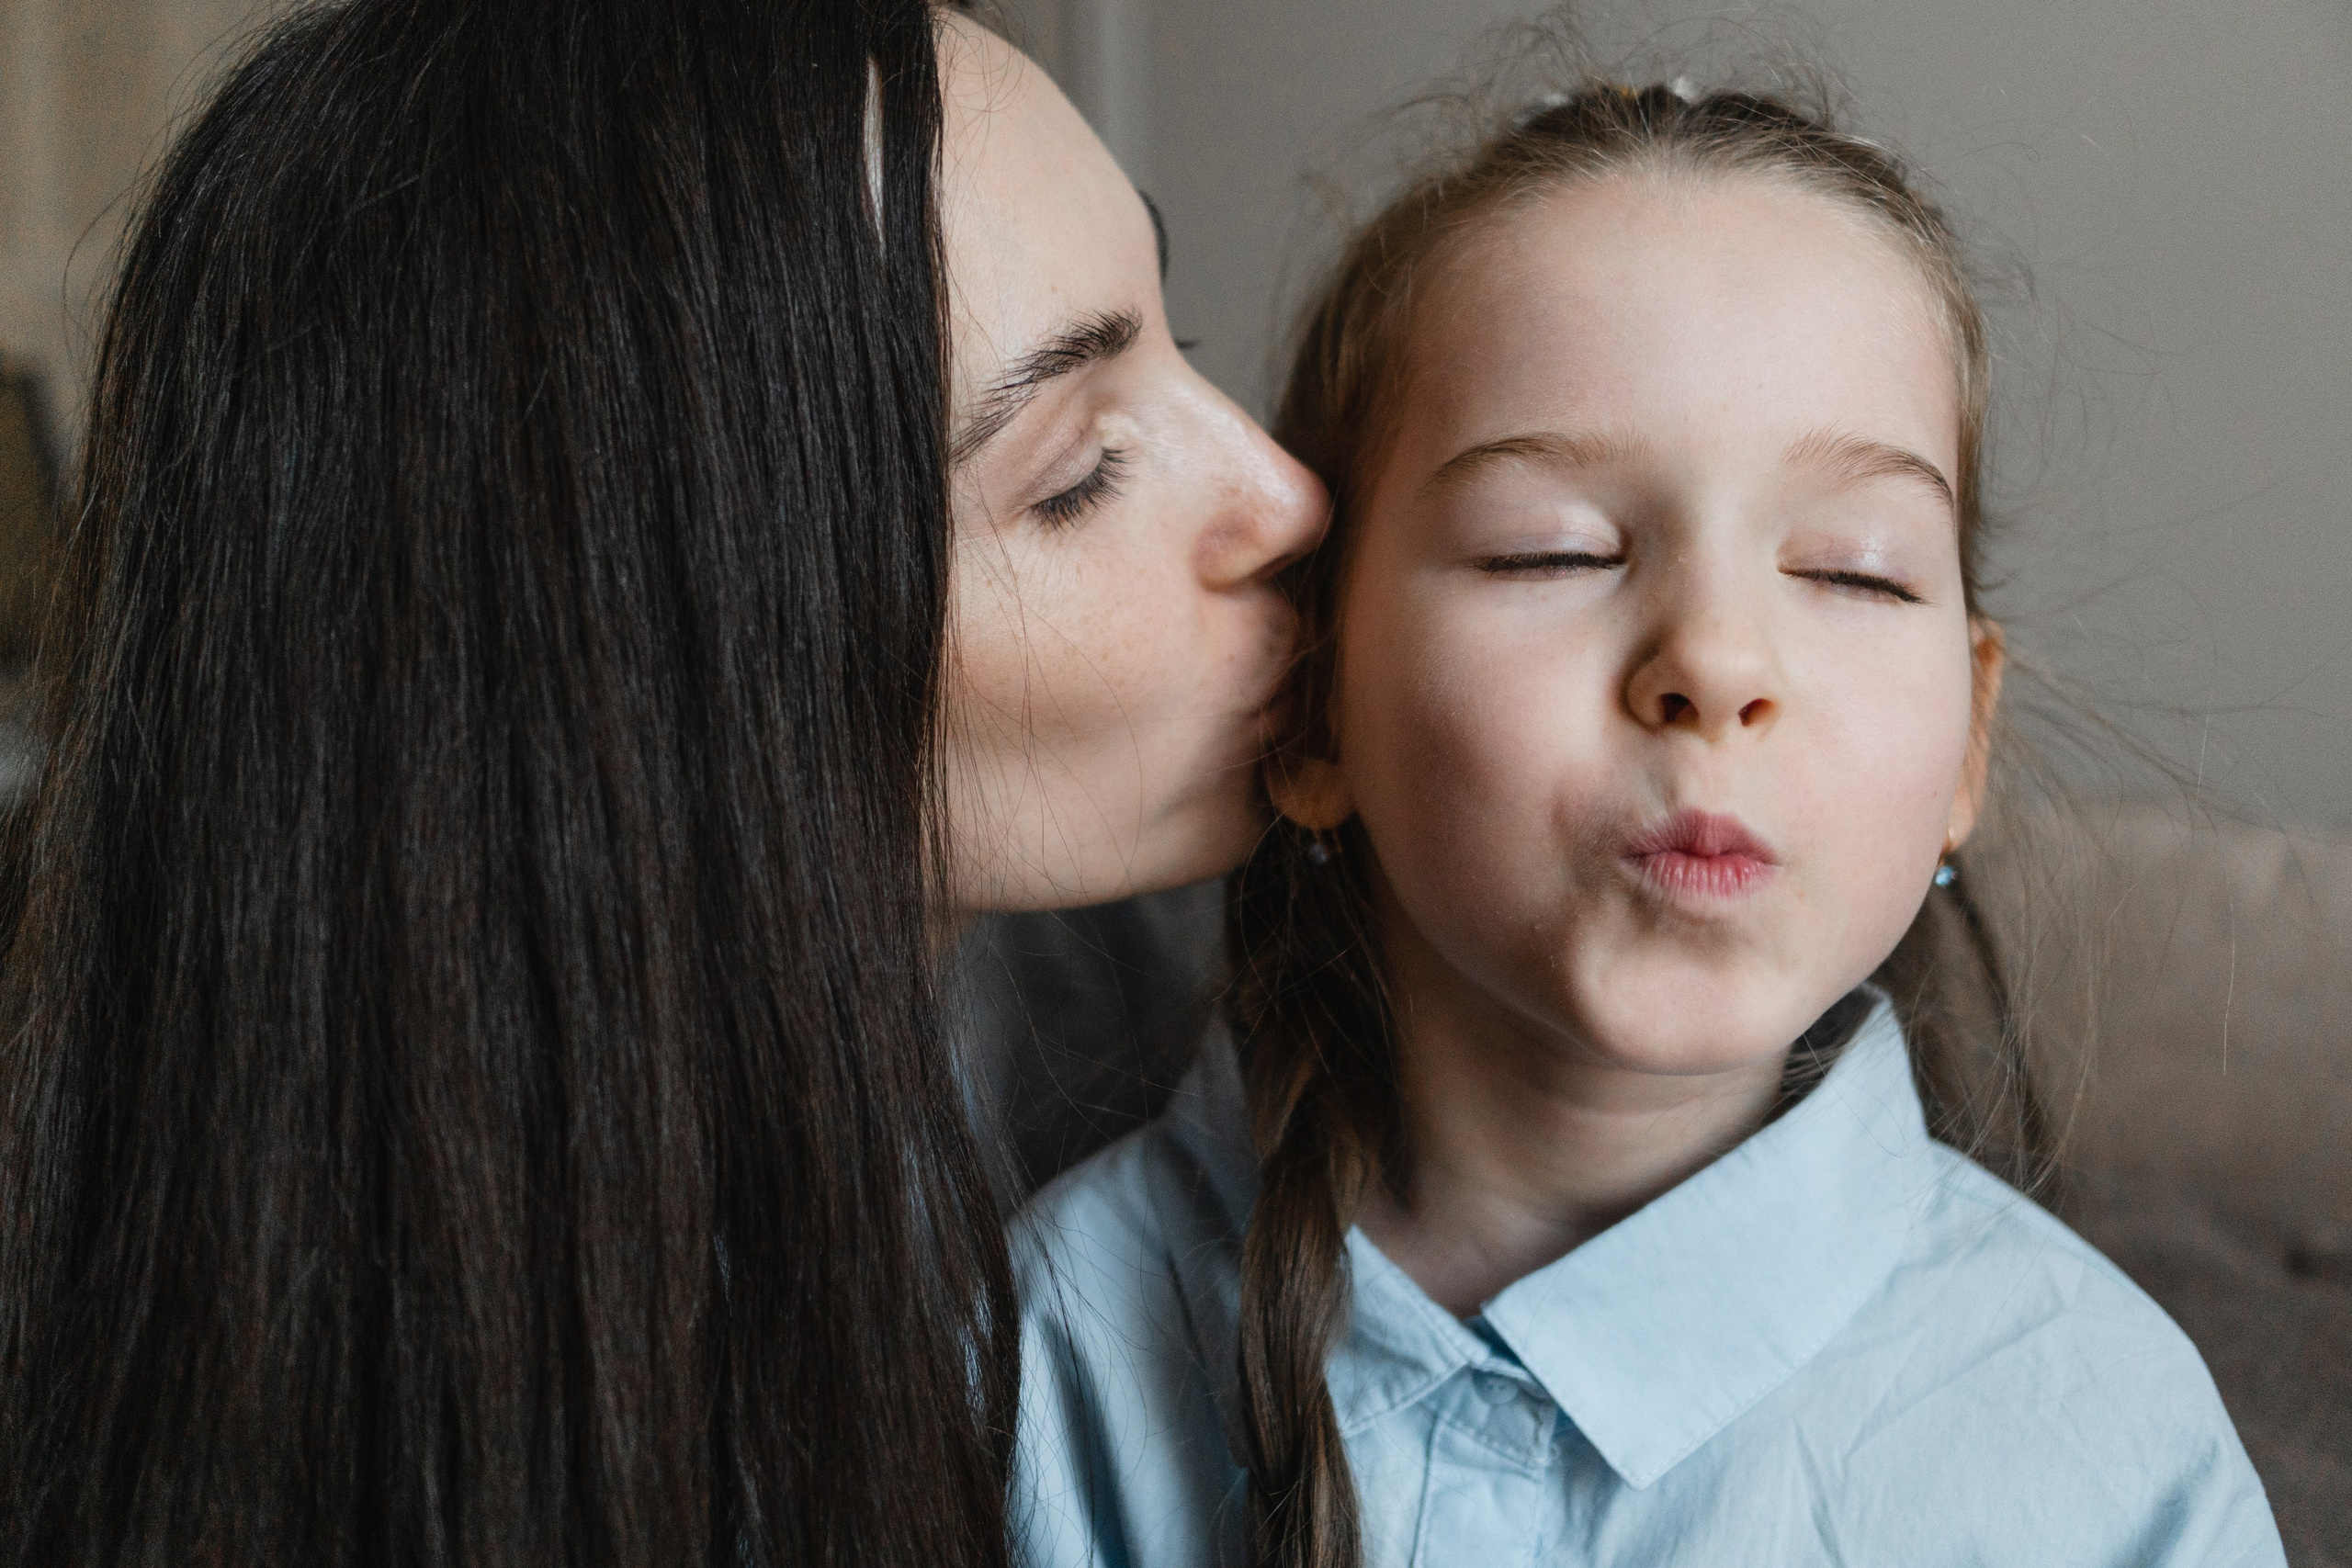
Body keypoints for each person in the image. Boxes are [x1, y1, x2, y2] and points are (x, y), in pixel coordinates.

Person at [0, 0, 1318, 1561]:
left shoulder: (1157, 1020)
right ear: (646, 655)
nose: (1286, 494)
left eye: (1186, 337)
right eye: (1076, 472)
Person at [1011, 78, 2288, 1566]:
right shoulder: (1036, 1358)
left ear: (1968, 743)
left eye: (1855, 574)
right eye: (1552, 549)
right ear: (1310, 707)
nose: (1718, 666)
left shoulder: (2109, 1448)